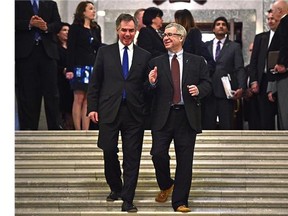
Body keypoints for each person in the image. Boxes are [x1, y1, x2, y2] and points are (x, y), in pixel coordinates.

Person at [87, 13, 151, 212]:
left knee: (133, 156)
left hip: (134, 113)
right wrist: (92, 108)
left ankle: (128, 198)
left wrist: (152, 82)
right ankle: (116, 186)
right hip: (108, 111)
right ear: (117, 30)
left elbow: (145, 87)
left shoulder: (144, 55)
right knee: (108, 150)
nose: (127, 34)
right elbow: (95, 82)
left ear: (136, 31)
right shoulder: (104, 52)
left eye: (131, 30)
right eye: (124, 30)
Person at [147, 23, 211, 212]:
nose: (165, 38)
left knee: (185, 161)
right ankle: (166, 183)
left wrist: (199, 90)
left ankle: (180, 201)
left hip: (186, 116)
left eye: (170, 35)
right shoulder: (155, 62)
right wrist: (151, 83)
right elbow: (147, 90)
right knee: (157, 154)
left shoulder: (197, 61)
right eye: (164, 34)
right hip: (162, 117)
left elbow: (207, 84)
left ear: (181, 38)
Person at [15, 0, 62, 130]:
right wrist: (29, 24)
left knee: (52, 92)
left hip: (47, 52)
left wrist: (46, 27)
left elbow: (58, 24)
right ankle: (29, 128)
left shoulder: (50, 4)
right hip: (26, 54)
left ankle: (55, 126)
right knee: (28, 92)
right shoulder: (17, 3)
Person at [203, 16, 246, 129]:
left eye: (223, 24)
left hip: (226, 91)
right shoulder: (205, 46)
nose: (221, 26)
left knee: (227, 124)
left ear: (227, 29)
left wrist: (241, 87)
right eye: (218, 24)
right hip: (208, 91)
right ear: (213, 29)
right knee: (207, 125)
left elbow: (239, 68)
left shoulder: (234, 46)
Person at [66, 1, 102, 130]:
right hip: (79, 67)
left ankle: (86, 130)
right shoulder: (75, 28)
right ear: (83, 12)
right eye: (91, 9)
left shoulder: (96, 28)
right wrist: (69, 68)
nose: (93, 11)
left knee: (88, 99)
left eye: (94, 9)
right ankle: (77, 129)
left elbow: (99, 47)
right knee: (79, 97)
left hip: (92, 66)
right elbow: (71, 49)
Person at [247, 9, 279, 130]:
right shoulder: (261, 37)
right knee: (266, 117)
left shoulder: (284, 36)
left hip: (281, 79)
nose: (271, 21)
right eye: (269, 18)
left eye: (274, 18)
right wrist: (253, 80)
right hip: (264, 80)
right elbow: (253, 61)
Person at [270, 0, 288, 130]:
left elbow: (285, 44)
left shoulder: (285, 22)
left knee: (285, 111)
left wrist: (283, 64)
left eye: (273, 11)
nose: (272, 13)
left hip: (285, 74)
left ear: (280, 11)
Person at [56, 22, 74, 130]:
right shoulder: (55, 48)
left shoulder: (72, 48)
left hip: (72, 81)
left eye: (68, 30)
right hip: (60, 81)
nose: (67, 33)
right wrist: (63, 70)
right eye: (64, 30)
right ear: (58, 33)